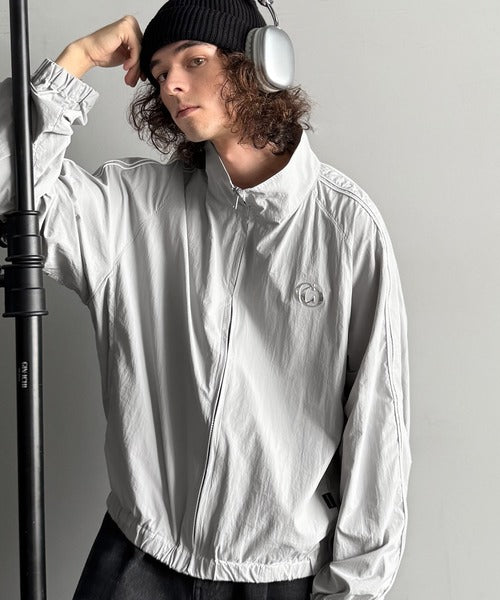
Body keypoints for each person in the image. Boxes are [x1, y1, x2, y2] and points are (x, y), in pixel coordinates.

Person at [0, 1, 411, 598]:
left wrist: (355, 590)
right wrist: (77, 60)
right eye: (160, 70)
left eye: (194, 60)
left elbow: (378, 424)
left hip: (274, 575)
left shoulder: (346, 229)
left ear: (260, 64)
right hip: (137, 558)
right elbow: (10, 189)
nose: (171, 83)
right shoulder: (132, 207)